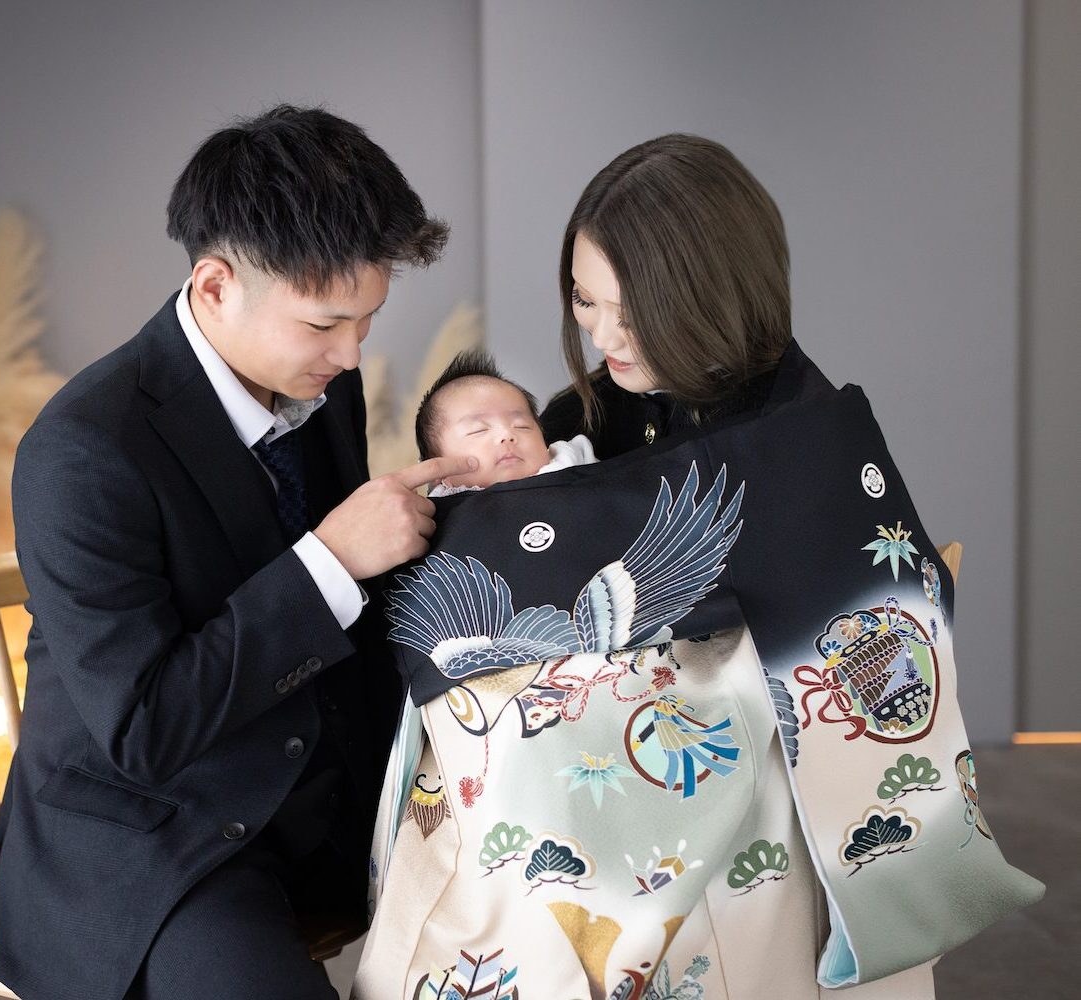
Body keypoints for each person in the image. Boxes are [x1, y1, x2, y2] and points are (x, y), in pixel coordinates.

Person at [353, 135, 1041, 999]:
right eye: (584, 301)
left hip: (743, 763)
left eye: (630, 312)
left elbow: (881, 621)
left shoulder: (806, 437)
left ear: (707, 296)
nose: (601, 335)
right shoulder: (586, 411)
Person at [0, 105, 476, 1000]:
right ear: (214, 286)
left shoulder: (319, 384)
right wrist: (331, 561)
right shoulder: (83, 450)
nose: (352, 353)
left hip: (317, 805)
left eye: (368, 320)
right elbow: (144, 731)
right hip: (155, 840)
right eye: (325, 324)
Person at [412, 348, 596, 498]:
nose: (507, 435)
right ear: (440, 473)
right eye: (479, 430)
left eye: (522, 426)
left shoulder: (570, 461)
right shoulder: (440, 514)